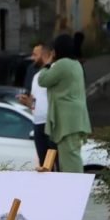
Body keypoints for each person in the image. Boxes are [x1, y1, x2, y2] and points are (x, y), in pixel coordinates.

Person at [37, 34, 92, 173]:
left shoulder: (62, 65)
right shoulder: (76, 64)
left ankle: (75, 189)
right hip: (75, 119)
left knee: (69, 160)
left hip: (67, 121)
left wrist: (48, 62)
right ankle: (75, 188)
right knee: (71, 156)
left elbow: (42, 80)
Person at [18, 42, 56, 167]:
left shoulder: (54, 71)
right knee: (43, 163)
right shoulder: (36, 76)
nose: (33, 58)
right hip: (38, 123)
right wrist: (28, 103)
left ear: (45, 55)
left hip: (51, 122)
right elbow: (34, 102)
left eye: (35, 55)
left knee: (56, 160)